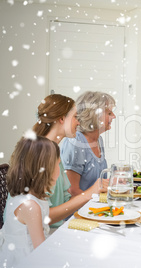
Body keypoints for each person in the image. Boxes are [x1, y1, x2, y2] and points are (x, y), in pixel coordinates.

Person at [33, 94, 106, 228]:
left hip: (58, 227)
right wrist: (89, 193)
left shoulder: (54, 152)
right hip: (40, 237)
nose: (79, 122)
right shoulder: (39, 155)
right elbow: (42, 217)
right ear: (61, 119)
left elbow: (66, 201)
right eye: (75, 117)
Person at [0, 135, 60, 266]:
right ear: (46, 169)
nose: (60, 170)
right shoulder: (30, 206)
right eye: (58, 164)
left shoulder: (35, 198)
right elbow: (41, 253)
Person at [61, 91, 116, 196]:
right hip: (80, 210)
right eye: (109, 113)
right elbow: (72, 190)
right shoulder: (75, 142)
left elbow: (96, 185)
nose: (114, 116)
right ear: (95, 115)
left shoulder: (98, 139)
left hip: (95, 207)